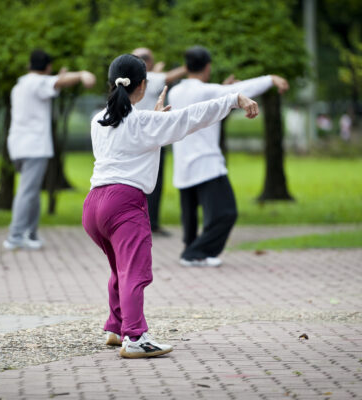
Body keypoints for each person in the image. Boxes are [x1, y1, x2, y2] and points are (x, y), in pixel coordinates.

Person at [82, 54, 259, 358]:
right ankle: (135, 338)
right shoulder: (147, 122)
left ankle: (117, 326)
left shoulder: (98, 120)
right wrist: (234, 98)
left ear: (111, 84)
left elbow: (131, 134)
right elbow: (191, 117)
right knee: (134, 273)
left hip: (93, 205)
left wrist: (154, 118)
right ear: (143, 85)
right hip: (124, 204)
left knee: (118, 269)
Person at [168, 46, 289, 268]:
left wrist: (221, 90)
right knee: (226, 213)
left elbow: (205, 102)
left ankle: (191, 249)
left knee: (190, 216)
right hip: (206, 163)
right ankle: (195, 253)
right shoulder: (207, 91)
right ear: (207, 67)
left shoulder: (175, 92)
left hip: (183, 165)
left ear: (186, 67)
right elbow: (244, 89)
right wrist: (270, 78)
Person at [3, 50, 96, 250]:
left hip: (18, 145)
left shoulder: (21, 85)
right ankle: (15, 235)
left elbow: (54, 84)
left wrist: (59, 78)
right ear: (47, 67)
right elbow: (55, 83)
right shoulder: (38, 82)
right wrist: (81, 75)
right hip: (34, 147)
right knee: (27, 191)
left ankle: (30, 233)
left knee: (32, 191)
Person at [131, 48, 187, 236]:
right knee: (153, 183)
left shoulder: (131, 78)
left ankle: (137, 222)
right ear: (147, 62)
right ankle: (151, 223)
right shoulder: (148, 78)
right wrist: (191, 66)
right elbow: (168, 77)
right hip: (152, 138)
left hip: (132, 138)